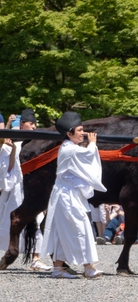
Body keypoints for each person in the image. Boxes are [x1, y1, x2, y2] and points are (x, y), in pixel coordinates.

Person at [0, 108, 51, 272]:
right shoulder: (10, 142)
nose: (34, 127)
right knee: (9, 225)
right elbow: (5, 169)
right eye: (30, 124)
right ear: (22, 124)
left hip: (32, 189)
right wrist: (12, 150)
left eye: (35, 124)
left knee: (38, 222)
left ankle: (36, 258)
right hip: (17, 187)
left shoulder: (37, 143)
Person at [39, 111, 105, 279]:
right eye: (80, 130)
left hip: (67, 194)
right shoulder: (70, 150)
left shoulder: (70, 148)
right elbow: (89, 155)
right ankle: (88, 267)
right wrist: (92, 144)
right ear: (69, 133)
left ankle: (58, 268)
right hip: (67, 196)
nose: (83, 133)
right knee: (80, 228)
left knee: (64, 231)